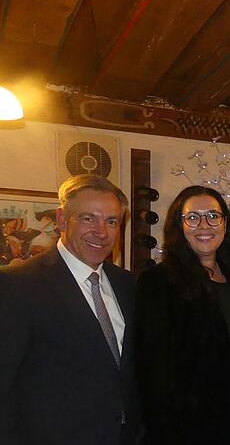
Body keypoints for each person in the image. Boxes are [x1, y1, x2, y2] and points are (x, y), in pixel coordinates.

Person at [0, 174, 139, 445]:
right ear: (62, 219)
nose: (102, 232)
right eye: (89, 218)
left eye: (111, 221)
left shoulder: (127, 284)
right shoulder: (18, 285)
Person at [136, 186, 230, 445]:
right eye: (193, 217)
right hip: (187, 432)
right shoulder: (159, 282)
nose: (205, 225)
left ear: (225, 223)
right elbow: (153, 373)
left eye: (213, 216)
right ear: (178, 226)